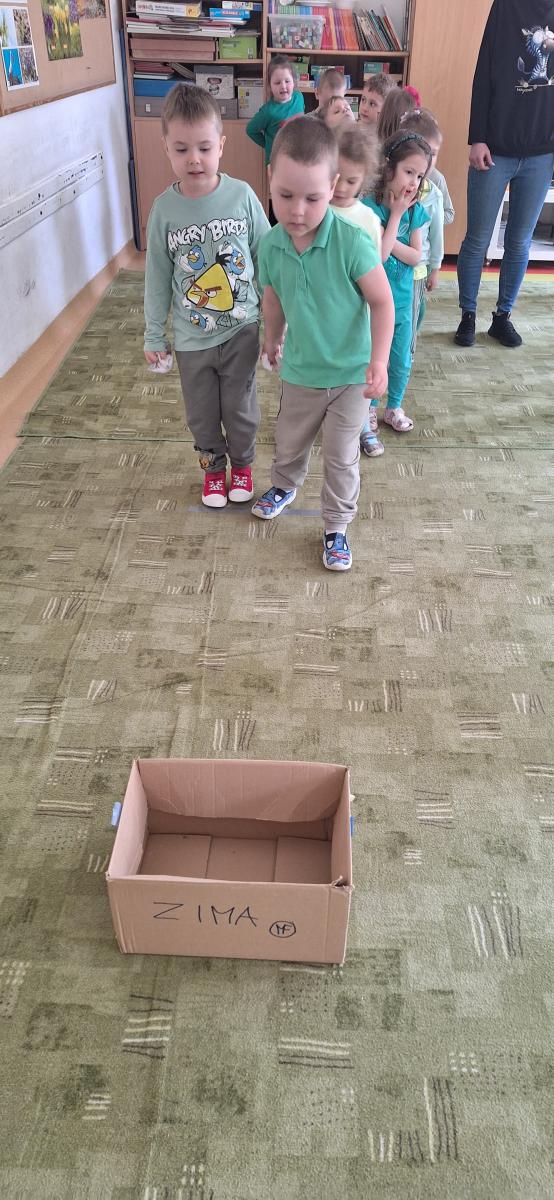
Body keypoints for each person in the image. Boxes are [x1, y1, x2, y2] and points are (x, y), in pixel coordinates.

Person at [251, 117, 395, 572]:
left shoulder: (352, 243)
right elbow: (273, 296)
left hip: (351, 377)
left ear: (332, 186)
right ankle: (285, 485)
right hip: (300, 371)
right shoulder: (271, 245)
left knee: (341, 456)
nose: (297, 211)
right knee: (289, 441)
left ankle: (336, 526)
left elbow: (382, 302)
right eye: (285, 195)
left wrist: (379, 361)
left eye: (312, 198)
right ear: (270, 179)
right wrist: (272, 337)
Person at [144, 84, 270, 508]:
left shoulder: (242, 196)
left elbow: (266, 257)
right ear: (166, 148)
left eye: (203, 147)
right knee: (201, 414)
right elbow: (157, 278)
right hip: (192, 338)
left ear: (221, 145)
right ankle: (213, 469)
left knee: (239, 408)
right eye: (182, 149)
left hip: (241, 329)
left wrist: (278, 318)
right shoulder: (164, 210)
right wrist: (153, 335)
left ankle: (243, 464)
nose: (194, 159)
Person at [455, 0, 554, 349]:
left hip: (543, 152)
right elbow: (483, 72)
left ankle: (502, 317)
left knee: (519, 241)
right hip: (495, 148)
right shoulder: (506, 6)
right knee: (478, 238)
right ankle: (468, 315)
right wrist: (477, 137)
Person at [360, 131, 432, 456]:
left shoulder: (416, 210)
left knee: (401, 357)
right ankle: (370, 408)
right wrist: (397, 215)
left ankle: (394, 406)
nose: (413, 182)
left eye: (419, 175)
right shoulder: (370, 208)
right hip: (373, 304)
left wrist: (400, 219)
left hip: (403, 301)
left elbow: (417, 256)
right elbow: (380, 255)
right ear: (389, 167)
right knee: (374, 357)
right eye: (408, 172)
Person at [400, 109, 447, 353]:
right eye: (423, 152)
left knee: (413, 315)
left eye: (434, 154)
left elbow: (437, 235)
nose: (427, 161)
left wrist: (435, 269)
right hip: (390, 266)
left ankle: (407, 355)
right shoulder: (389, 188)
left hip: (418, 270)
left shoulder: (434, 195)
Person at [246, 54, 305, 168]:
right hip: (277, 162)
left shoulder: (299, 97)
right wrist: (268, 145)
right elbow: (250, 130)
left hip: (298, 157)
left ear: (294, 82)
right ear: (270, 85)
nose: (283, 86)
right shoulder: (268, 111)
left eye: (287, 81)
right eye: (277, 83)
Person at [331, 123, 382, 251]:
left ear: (364, 179)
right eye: (336, 177)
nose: (341, 188)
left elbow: (374, 261)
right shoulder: (313, 210)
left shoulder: (369, 221)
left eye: (351, 181)